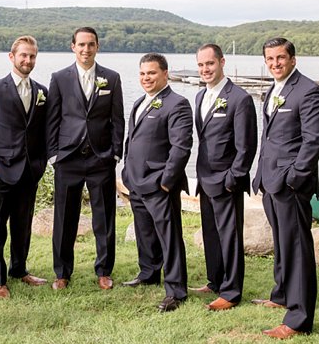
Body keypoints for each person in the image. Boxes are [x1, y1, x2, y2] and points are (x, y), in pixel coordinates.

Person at [251, 37, 319, 339]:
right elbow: (270, 138)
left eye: (280, 58)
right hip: (271, 181)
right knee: (282, 243)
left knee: (296, 248)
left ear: (293, 59)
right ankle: (281, 294)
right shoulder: (274, 89)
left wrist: (294, 177)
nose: (275, 64)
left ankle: (298, 319)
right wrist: (260, 174)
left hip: (291, 184)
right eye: (269, 59)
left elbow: (313, 142)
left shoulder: (309, 91)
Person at [46, 27, 125, 291]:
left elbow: (117, 119)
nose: (86, 49)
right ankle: (62, 272)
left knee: (104, 218)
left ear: (97, 47)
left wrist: (114, 153)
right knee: (64, 218)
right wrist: (54, 154)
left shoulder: (111, 79)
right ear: (73, 47)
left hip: (100, 158)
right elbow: (52, 119)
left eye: (91, 44)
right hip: (67, 158)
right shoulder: (59, 78)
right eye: (81, 44)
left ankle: (104, 271)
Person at [0, 35, 49, 299]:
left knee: (23, 224)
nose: (28, 60)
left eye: (32, 56)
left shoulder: (42, 91)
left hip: (30, 171)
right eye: (23, 55)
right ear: (12, 57)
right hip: (2, 170)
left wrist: (41, 163)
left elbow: (45, 132)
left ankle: (20, 269)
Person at [121, 53, 192, 312]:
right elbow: (133, 140)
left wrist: (166, 181)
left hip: (159, 184)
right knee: (145, 232)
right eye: (142, 73)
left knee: (169, 237)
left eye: (151, 73)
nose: (146, 78)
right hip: (136, 182)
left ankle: (176, 290)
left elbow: (181, 146)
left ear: (165, 73)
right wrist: (126, 171)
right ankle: (148, 272)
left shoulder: (177, 103)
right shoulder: (141, 101)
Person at [192, 44, 257, 311]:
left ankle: (231, 291)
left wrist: (233, 178)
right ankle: (215, 280)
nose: (205, 69)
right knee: (211, 234)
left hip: (226, 180)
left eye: (210, 64)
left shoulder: (239, 98)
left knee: (229, 236)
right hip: (205, 178)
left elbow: (246, 146)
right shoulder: (199, 96)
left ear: (222, 62)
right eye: (201, 65)